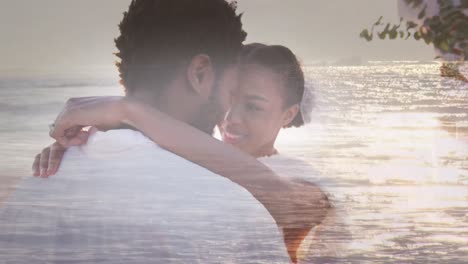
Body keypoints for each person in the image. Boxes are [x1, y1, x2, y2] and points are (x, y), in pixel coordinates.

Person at [0, 1, 305, 263]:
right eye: (230, 90)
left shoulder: (26, 198)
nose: (228, 112)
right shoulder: (237, 216)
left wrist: (129, 111)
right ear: (200, 73)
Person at [33, 43, 331, 263]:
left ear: (288, 114)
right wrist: (78, 151)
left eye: (252, 106)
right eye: (226, 97)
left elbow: (284, 199)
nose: (230, 117)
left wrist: (128, 110)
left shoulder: (297, 174)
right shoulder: (194, 158)